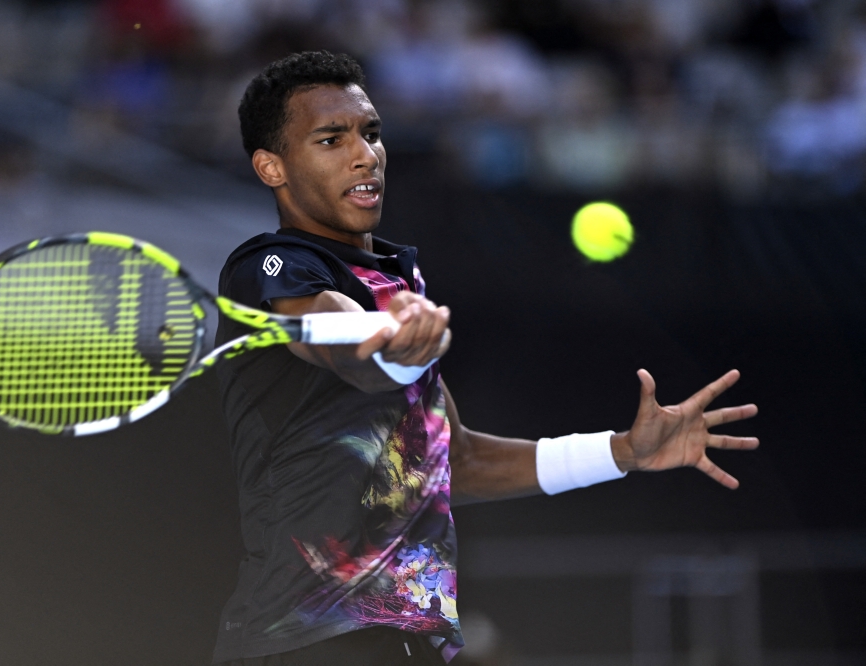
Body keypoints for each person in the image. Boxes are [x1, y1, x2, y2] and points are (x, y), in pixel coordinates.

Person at [212, 51, 758, 666]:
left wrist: (621, 452)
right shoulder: (266, 269)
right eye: (331, 139)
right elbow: (331, 333)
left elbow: (458, 462)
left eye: (371, 133)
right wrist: (389, 341)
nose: (365, 154)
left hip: (405, 642)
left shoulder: (398, 284)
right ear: (272, 167)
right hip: (305, 644)